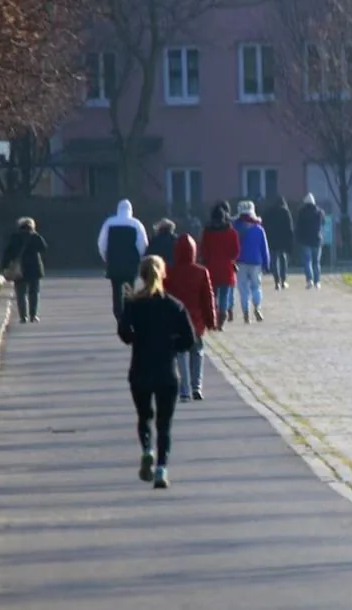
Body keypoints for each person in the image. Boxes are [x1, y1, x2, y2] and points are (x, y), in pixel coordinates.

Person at [117, 256, 197, 489]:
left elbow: (124, 333)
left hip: (140, 368)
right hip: (166, 371)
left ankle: (146, 449)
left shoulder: (132, 303)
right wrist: (172, 346)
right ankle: (162, 468)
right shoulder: (174, 305)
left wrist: (137, 339)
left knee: (144, 417)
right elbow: (189, 340)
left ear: (142, 276)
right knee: (164, 424)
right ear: (163, 274)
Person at [165, 234, 217, 402]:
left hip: (176, 321)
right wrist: (211, 320)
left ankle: (185, 390)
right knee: (197, 352)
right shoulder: (201, 272)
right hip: (196, 320)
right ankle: (197, 386)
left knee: (181, 354)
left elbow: (165, 298)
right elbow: (208, 299)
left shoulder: (169, 273)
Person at [98, 199, 149, 321]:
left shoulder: (109, 223)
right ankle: (129, 311)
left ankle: (118, 313)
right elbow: (143, 243)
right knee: (130, 288)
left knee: (116, 290)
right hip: (131, 263)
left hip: (114, 262)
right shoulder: (136, 224)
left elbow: (102, 243)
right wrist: (138, 257)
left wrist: (106, 257)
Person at [199, 201, 240, 330]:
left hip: (211, 268)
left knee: (213, 295)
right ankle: (222, 318)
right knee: (224, 296)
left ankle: (214, 317)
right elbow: (236, 252)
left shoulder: (207, 232)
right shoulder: (231, 232)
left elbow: (203, 250)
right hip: (226, 268)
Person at [0, 216, 48, 324]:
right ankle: (33, 315)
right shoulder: (35, 236)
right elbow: (43, 247)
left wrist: (4, 266)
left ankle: (23, 317)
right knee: (34, 293)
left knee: (21, 294)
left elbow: (8, 252)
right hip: (34, 268)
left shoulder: (15, 237)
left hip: (19, 269)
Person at [233, 200, 271, 323]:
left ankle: (245, 312)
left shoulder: (235, 228)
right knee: (256, 286)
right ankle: (257, 307)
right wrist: (266, 264)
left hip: (240, 261)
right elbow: (264, 248)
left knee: (243, 288)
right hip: (256, 262)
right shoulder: (259, 229)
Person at [262, 196, 295, 290]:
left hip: (272, 240)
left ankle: (276, 281)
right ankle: (284, 281)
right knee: (283, 259)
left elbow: (264, 225)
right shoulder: (286, 212)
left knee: (274, 260)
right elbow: (290, 228)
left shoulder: (269, 212)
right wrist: (290, 241)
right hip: (283, 240)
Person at [296, 193, 326, 289]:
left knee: (307, 261)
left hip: (305, 240)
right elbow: (323, 223)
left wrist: (298, 238)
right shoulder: (319, 212)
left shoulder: (301, 212)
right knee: (316, 262)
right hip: (317, 240)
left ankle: (310, 280)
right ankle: (317, 282)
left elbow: (298, 227)